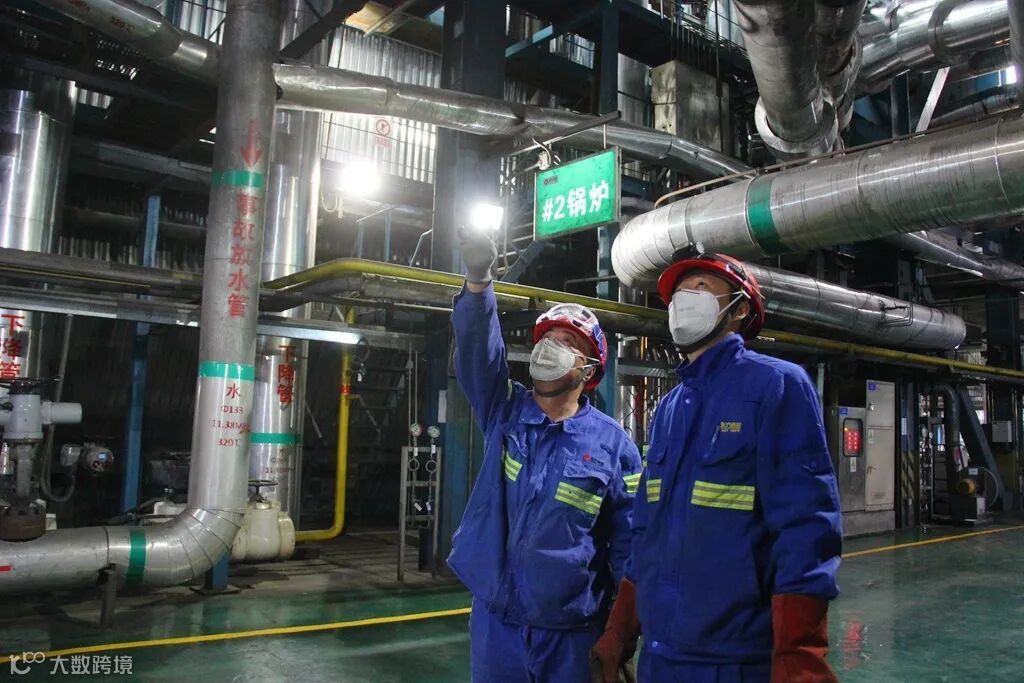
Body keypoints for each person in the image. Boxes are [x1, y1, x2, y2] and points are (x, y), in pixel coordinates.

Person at [592, 251, 843, 683]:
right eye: (678, 293)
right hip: (661, 657)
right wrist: (620, 631)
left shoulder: (776, 385)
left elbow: (806, 527)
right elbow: (647, 531)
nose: (684, 299)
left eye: (701, 287)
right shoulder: (669, 408)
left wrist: (798, 656)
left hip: (735, 661)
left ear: (739, 308)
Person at [447, 227, 644, 683]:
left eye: (568, 343)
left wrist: (621, 632)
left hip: (573, 632)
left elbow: (630, 544)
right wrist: (478, 282)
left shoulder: (614, 446)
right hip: (497, 624)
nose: (551, 347)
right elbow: (477, 354)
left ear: (589, 370)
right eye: (547, 337)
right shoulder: (506, 411)